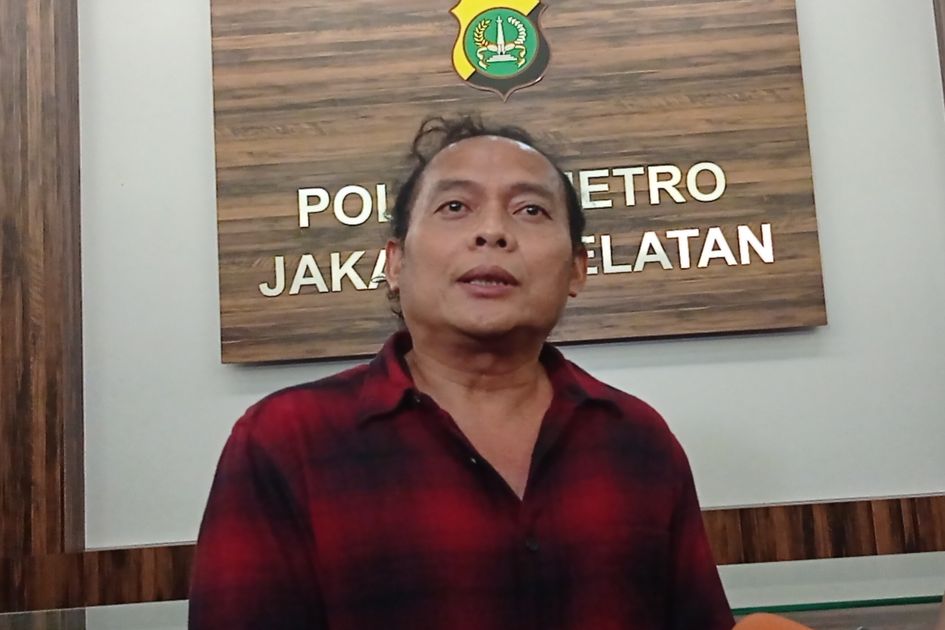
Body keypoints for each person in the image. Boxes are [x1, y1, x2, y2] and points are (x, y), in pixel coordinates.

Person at [189, 115, 735, 629]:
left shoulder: (638, 441)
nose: (493, 232)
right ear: (395, 263)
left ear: (577, 270)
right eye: (455, 206)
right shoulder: (285, 441)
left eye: (530, 211)